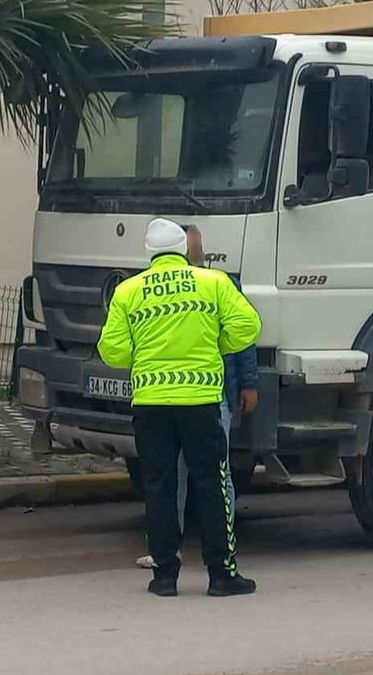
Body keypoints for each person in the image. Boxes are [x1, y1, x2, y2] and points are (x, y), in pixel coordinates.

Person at [99, 218, 261, 597]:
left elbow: (112, 351)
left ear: (150, 253)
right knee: (212, 485)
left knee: (159, 486)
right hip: (200, 402)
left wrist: (146, 355)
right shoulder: (213, 283)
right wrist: (215, 343)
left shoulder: (128, 291)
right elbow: (248, 327)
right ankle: (222, 575)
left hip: (151, 405)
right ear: (184, 250)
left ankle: (164, 577)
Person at [136, 224, 259, 569]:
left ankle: (206, 552)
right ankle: (191, 557)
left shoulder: (217, 284)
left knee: (210, 478)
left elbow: (245, 338)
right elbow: (245, 330)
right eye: (190, 248)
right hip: (198, 395)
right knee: (189, 477)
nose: (195, 253)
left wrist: (247, 383)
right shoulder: (208, 287)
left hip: (209, 395)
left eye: (198, 247)